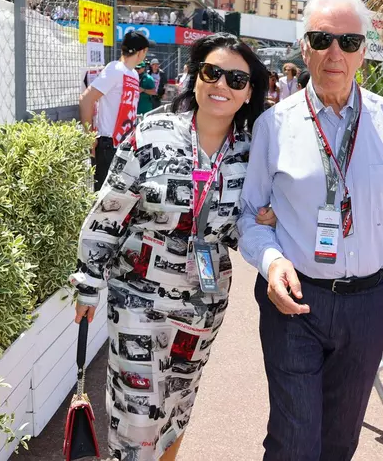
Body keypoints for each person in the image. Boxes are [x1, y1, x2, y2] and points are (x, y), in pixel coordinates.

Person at [237, 0, 383, 460]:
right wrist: (271, 260)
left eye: (349, 41)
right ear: (304, 48)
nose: (334, 53)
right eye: (322, 39)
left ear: (364, 50)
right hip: (294, 300)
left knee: (340, 441)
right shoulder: (273, 126)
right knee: (294, 441)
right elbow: (249, 214)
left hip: (368, 303)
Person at [71, 33, 272, 461]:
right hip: (137, 295)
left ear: (249, 91)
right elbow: (110, 209)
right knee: (137, 417)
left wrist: (264, 221)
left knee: (176, 407)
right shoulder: (153, 132)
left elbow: (237, 228)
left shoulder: (252, 153)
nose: (222, 85)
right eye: (212, 72)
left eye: (236, 79)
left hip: (203, 304)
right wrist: (88, 280)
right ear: (195, 77)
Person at [79, 31, 152, 191]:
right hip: (108, 145)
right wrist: (89, 136)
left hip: (124, 145)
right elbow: (86, 99)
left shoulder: (133, 73)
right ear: (141, 52)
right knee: (103, 198)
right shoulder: (115, 69)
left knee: (119, 199)